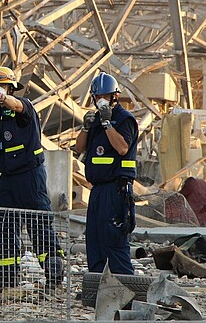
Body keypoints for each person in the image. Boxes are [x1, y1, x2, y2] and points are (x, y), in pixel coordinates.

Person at [0, 66, 64, 295]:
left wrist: (6, 97)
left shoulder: (24, 106)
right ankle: (7, 281)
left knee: (40, 228)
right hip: (8, 180)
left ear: (10, 88)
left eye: (1, 87)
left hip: (30, 177)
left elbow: (17, 106)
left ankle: (54, 278)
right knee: (7, 231)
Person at [75, 72, 138, 275]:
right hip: (97, 189)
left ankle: (125, 287)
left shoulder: (124, 119)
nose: (101, 100)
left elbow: (122, 148)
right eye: (98, 97)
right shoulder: (95, 121)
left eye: (106, 96)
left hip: (116, 189)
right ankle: (96, 287)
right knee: (94, 239)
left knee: (114, 240)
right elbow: (79, 148)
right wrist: (86, 127)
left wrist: (107, 124)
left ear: (114, 97)